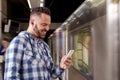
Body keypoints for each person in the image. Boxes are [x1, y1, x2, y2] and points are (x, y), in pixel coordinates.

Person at [4, 7, 72, 80]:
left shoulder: (44, 46)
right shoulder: (18, 42)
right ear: (32, 22)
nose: (47, 28)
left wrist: (61, 67)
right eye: (44, 24)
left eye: (48, 25)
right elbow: (11, 77)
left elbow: (51, 74)